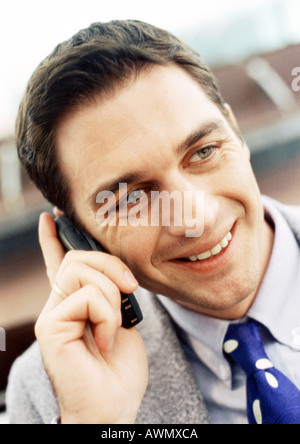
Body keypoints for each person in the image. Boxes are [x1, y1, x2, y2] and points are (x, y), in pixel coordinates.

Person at [6, 20, 300, 424]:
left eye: (204, 151)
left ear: (237, 133)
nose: (196, 217)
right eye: (131, 197)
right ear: (77, 235)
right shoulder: (44, 390)